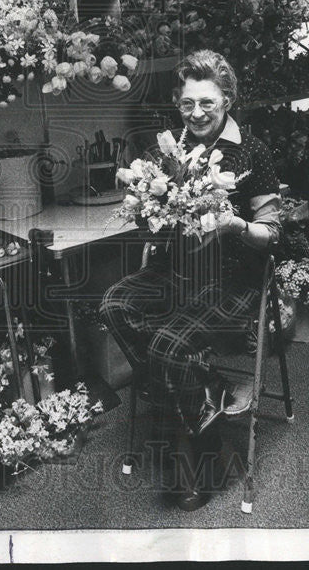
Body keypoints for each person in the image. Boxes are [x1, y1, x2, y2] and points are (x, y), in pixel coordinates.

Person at [99, 49, 282, 510]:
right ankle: (203, 391)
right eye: (187, 103)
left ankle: (204, 451)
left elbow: (272, 232)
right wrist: (149, 207)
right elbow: (151, 210)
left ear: (227, 100)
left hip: (233, 278)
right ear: (178, 103)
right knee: (115, 305)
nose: (196, 113)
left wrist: (236, 224)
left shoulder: (253, 150)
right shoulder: (167, 147)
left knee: (167, 344)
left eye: (207, 103)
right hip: (176, 268)